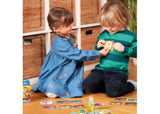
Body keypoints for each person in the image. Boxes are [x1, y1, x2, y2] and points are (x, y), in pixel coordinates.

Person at [31, 7, 109, 98]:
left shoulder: (68, 35)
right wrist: (98, 53)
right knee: (54, 85)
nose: (71, 25)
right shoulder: (60, 43)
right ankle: (52, 89)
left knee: (71, 82)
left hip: (67, 67)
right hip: (58, 68)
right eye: (67, 25)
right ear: (56, 29)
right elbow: (79, 54)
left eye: (71, 23)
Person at [83, 1, 137, 97]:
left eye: (113, 25)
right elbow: (97, 47)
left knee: (114, 92)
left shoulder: (130, 36)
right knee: (87, 86)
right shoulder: (104, 34)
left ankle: (131, 85)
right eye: (106, 26)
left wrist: (125, 49)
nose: (109, 29)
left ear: (123, 19)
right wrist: (98, 45)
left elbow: (137, 52)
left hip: (118, 72)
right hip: (101, 70)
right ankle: (108, 85)